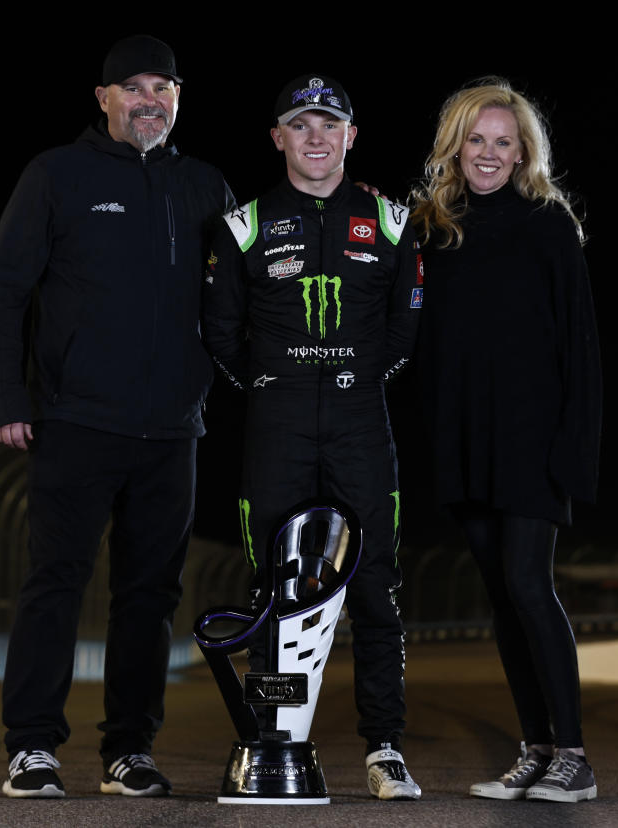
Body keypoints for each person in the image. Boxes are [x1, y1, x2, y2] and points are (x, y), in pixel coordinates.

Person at [0, 34, 235, 799]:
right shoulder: (57, 174)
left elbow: (233, 305)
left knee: (150, 596)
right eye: (133, 87)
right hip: (75, 421)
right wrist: (6, 399)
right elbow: (2, 293)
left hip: (171, 432)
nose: (148, 98)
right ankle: (31, 747)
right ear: (103, 99)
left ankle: (129, 749)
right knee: (55, 581)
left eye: (164, 86)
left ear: (179, 97)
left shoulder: (206, 185)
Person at [201, 73, 423, 800]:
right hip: (279, 427)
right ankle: (275, 745)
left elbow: (404, 330)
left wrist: (352, 377)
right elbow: (222, 337)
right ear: (279, 138)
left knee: (377, 589)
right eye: (301, 124)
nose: (317, 136)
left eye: (330, 124)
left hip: (363, 423)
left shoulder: (391, 221)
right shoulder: (244, 223)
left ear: (352, 137)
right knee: (277, 588)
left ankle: (384, 748)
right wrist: (278, 384)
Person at [409, 76, 603, 803]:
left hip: (533, 440)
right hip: (466, 442)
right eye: (476, 140)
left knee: (529, 582)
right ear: (455, 146)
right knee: (500, 593)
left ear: (523, 152)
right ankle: (536, 746)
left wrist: (573, 452)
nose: (488, 154)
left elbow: (581, 348)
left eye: (503, 142)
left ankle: (574, 757)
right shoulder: (432, 225)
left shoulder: (548, 223)